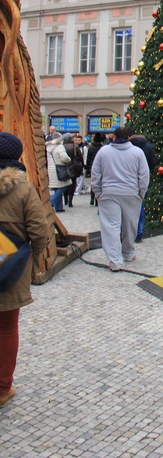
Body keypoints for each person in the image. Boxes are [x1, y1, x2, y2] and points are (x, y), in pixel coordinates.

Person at [0, 132, 48, 408]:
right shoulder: (23, 189)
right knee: (7, 327)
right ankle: (3, 388)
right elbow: (39, 231)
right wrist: (34, 258)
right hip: (10, 269)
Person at [91, 126, 149, 271]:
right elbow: (144, 175)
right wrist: (142, 192)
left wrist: (97, 192)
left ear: (114, 137)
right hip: (131, 193)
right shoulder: (137, 152)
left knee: (111, 226)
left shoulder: (103, 152)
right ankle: (129, 253)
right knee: (130, 225)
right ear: (128, 138)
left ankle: (115, 261)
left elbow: (95, 173)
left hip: (109, 193)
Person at [126, 127, 158, 243]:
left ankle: (126, 233)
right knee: (140, 206)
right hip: (142, 179)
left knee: (126, 209)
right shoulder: (148, 147)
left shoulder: (128, 147)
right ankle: (139, 234)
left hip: (129, 179)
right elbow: (154, 162)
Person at [46, 131, 72, 212]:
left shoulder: (48, 146)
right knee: (63, 187)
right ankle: (51, 201)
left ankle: (59, 207)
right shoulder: (60, 146)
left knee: (58, 187)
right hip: (60, 169)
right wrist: (69, 159)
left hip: (52, 169)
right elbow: (64, 158)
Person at [62, 133, 84, 208]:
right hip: (74, 167)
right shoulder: (75, 146)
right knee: (72, 183)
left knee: (65, 183)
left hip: (65, 166)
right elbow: (80, 157)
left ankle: (65, 199)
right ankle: (70, 201)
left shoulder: (62, 146)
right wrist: (81, 165)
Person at [86, 133, 103, 206]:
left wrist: (87, 168)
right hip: (100, 168)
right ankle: (97, 200)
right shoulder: (102, 148)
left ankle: (92, 197)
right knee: (100, 183)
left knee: (93, 183)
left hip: (91, 167)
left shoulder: (91, 147)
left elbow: (88, 159)